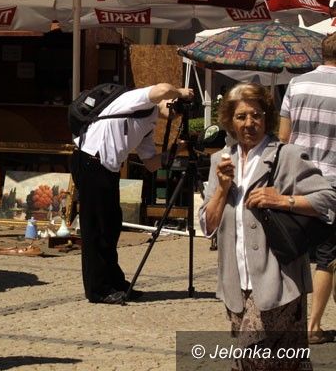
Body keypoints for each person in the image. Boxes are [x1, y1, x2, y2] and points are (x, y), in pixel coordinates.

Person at [200, 82, 336, 370]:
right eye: (241, 116)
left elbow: (328, 199)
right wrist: (222, 189)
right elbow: (208, 225)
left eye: (256, 115)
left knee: (251, 358)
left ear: (267, 117)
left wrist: (283, 200)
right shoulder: (219, 162)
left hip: (280, 283)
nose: (249, 123)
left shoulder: (287, 156)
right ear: (230, 121)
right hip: (236, 286)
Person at [70, 83, 193, 304]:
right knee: (96, 229)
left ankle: (115, 283)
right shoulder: (135, 99)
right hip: (90, 161)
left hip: (107, 169)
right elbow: (163, 89)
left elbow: (151, 164)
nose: (175, 111)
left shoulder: (149, 122)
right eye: (175, 105)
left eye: (179, 110)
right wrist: (180, 92)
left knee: (111, 227)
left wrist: (177, 150)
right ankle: (98, 290)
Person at [279, 33, 336, 345]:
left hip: (297, 180)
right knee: (328, 256)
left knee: (294, 251)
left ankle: (288, 320)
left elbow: (283, 137)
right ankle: (313, 326)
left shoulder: (296, 84)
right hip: (331, 183)